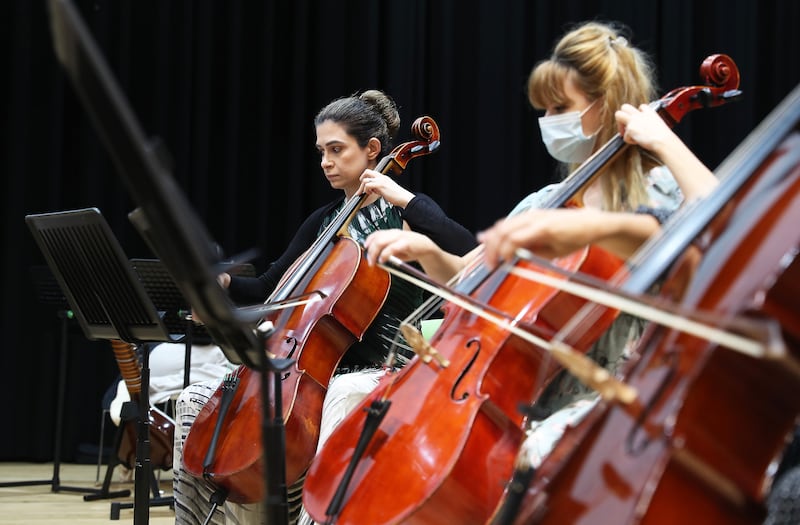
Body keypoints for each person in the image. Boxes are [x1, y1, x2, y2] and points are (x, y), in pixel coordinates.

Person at [362, 20, 718, 480]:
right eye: (544, 110)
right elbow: (465, 279)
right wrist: (424, 248)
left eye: (560, 107)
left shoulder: (660, 192)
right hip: (532, 395)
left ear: (605, 104)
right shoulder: (543, 203)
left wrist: (662, 139)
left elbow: (723, 225)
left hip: (616, 393)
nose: (549, 122)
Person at [172, 89, 477, 525]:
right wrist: (218, 283)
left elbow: (469, 250)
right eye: (321, 152)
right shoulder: (324, 221)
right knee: (195, 401)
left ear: (372, 149)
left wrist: (403, 197)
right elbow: (266, 288)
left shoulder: (403, 215)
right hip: (308, 369)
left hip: (381, 367)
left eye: (337, 150)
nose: (325, 162)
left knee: (332, 402)